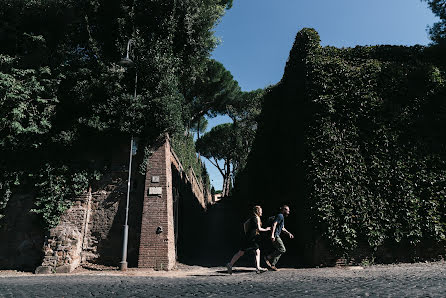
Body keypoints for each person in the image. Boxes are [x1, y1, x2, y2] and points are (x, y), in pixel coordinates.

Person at [226, 206, 271, 274]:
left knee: (242, 252)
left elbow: (245, 224)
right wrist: (266, 229)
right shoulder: (256, 218)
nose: (261, 212)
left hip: (249, 237)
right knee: (256, 251)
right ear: (257, 211)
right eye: (261, 211)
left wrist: (247, 233)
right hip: (252, 238)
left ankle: (230, 264)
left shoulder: (252, 217)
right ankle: (258, 268)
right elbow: (259, 229)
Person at [264, 205, 294, 271]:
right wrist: (272, 235)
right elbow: (274, 224)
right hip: (275, 235)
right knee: (282, 249)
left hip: (276, 235)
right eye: (288, 211)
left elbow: (282, 228)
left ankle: (272, 265)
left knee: (280, 249)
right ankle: (268, 258)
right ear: (284, 210)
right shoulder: (280, 216)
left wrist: (289, 233)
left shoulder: (282, 217)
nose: (288, 212)